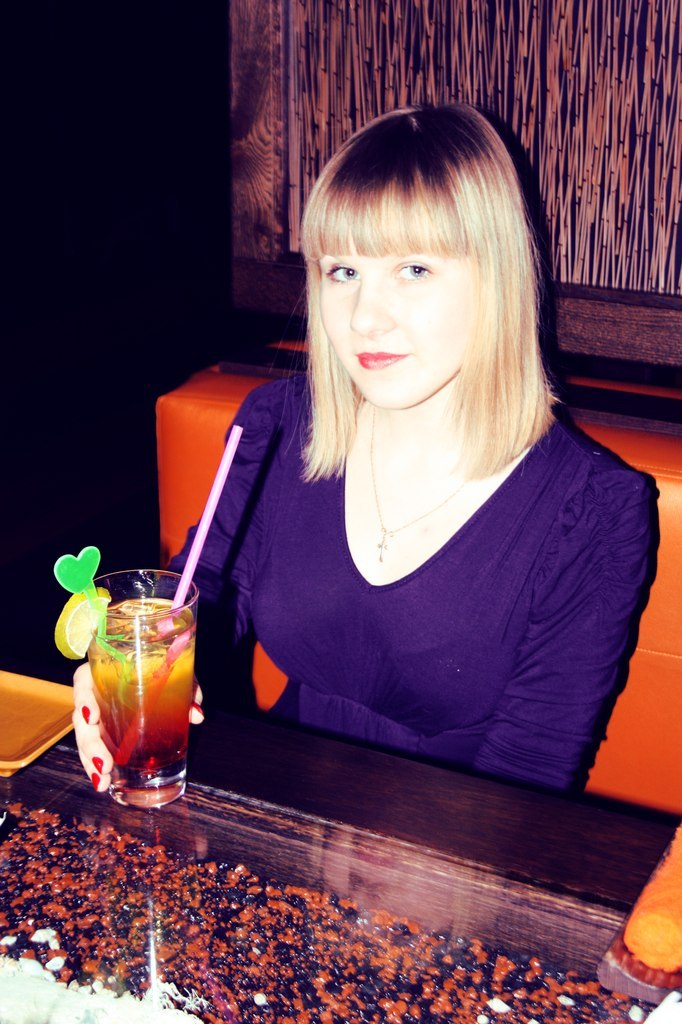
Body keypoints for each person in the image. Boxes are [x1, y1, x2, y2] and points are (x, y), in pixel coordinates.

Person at [73, 102, 652, 795]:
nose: (364, 319)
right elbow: (205, 592)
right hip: (275, 806)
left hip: (462, 837)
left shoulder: (596, 509)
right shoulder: (277, 426)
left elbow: (531, 771)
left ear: (497, 279)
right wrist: (133, 661)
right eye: (343, 272)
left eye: (413, 269)